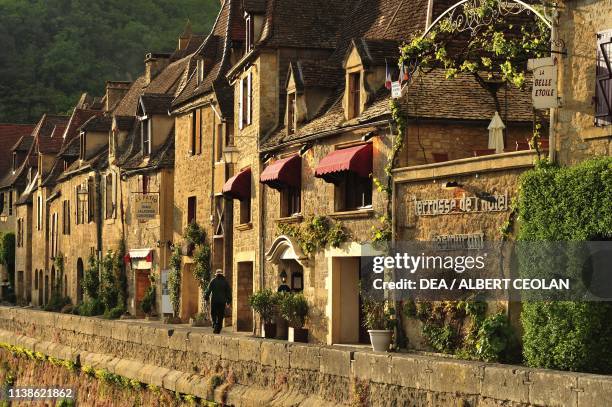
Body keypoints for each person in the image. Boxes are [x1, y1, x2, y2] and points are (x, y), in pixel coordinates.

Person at [205, 270, 231, 334]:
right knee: (220, 315)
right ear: (222, 274)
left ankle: (214, 324)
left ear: (216, 274)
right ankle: (218, 328)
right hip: (222, 301)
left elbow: (208, 290)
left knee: (213, 313)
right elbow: (228, 292)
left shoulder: (213, 281)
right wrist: (228, 300)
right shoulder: (225, 282)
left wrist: (206, 297)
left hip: (214, 301)